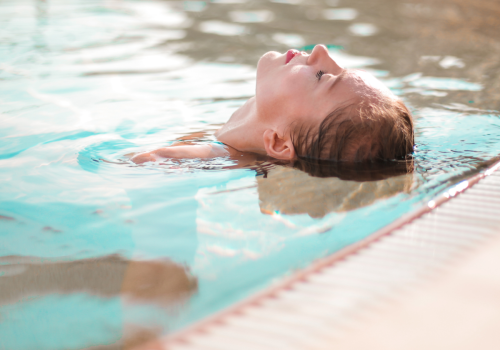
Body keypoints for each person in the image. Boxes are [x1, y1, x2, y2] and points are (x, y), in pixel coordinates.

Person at [131, 44, 414, 165]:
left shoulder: (213, 156)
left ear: (278, 144)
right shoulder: (251, 133)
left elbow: (145, 162)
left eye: (322, 77)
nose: (321, 51)